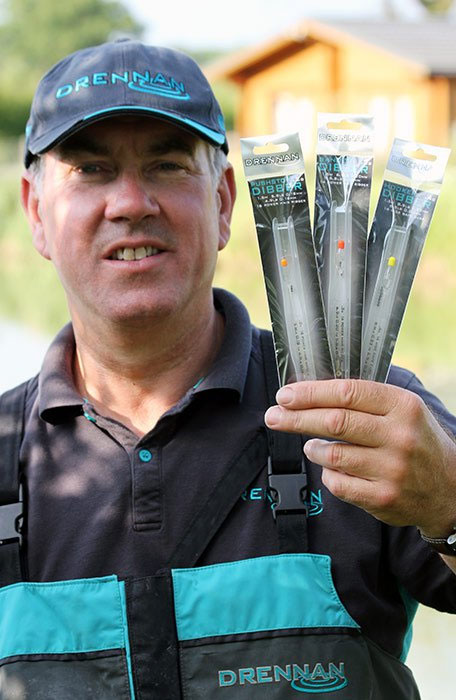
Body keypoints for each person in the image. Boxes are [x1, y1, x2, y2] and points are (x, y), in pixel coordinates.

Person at [0, 38, 455, 699]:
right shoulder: (3, 454)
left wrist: (448, 501)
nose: (130, 202)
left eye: (167, 165)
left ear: (223, 202)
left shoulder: (363, 411)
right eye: (92, 170)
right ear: (36, 212)